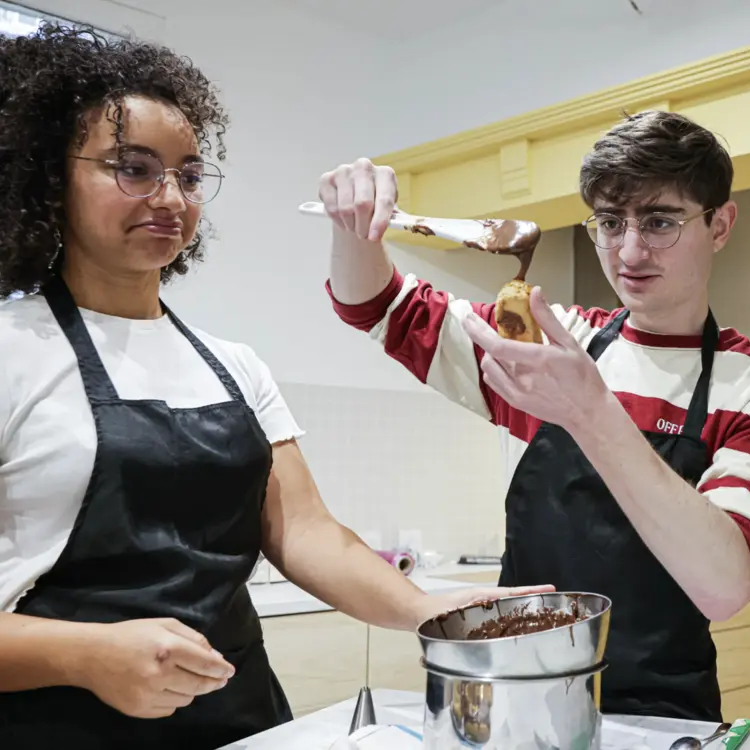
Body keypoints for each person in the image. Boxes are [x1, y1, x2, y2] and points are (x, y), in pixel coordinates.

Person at [0, 24, 548, 749]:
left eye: (190, 175)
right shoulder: (13, 352)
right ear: (46, 175)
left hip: (241, 719)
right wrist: (83, 653)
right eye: (133, 168)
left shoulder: (232, 364)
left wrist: (426, 608)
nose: (170, 197)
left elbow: (304, 532)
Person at [319, 110, 750, 721]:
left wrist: (591, 413)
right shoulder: (550, 342)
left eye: (660, 221)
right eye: (610, 223)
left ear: (720, 225)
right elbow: (377, 306)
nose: (630, 251)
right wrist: (354, 228)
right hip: (507, 695)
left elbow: (724, 586)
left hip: (659, 716)